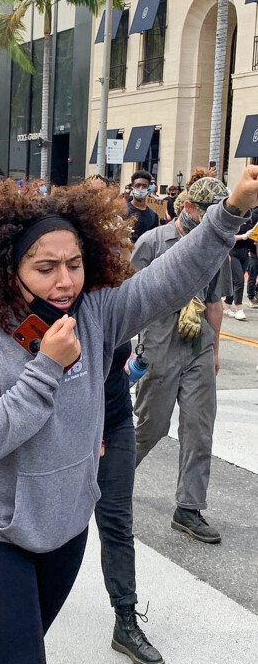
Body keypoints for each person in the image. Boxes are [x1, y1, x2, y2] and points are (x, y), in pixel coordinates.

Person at [0, 168, 258, 664]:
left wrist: (230, 213)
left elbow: (170, 278)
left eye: (75, 265)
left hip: (64, 530)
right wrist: (46, 369)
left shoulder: (96, 314)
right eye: (44, 267)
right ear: (6, 268)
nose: (64, 282)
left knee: (17, 648)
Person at [85, 176, 164, 664]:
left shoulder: (118, 276)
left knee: (116, 519)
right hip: (59, 409)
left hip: (112, 404)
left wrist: (132, 361)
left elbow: (161, 291)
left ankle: (125, 620)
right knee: (47, 524)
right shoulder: (45, 278)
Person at [133, 176, 234, 545]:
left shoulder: (216, 247)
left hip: (198, 346)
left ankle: (188, 509)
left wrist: (215, 350)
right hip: (159, 340)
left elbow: (214, 301)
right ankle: (108, 481)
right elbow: (126, 300)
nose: (213, 222)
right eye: (209, 213)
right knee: (151, 426)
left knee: (198, 428)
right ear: (188, 208)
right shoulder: (152, 243)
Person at [222, 216, 255, 321]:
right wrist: (243, 236)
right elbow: (227, 236)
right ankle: (239, 309)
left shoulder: (248, 218)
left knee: (234, 281)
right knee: (239, 280)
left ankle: (227, 306)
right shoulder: (233, 218)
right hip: (233, 252)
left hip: (244, 252)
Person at [126, 169, 158, 242]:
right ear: (132, 188)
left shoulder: (153, 216)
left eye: (144, 186)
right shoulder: (122, 211)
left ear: (148, 189)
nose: (141, 189)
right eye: (138, 185)